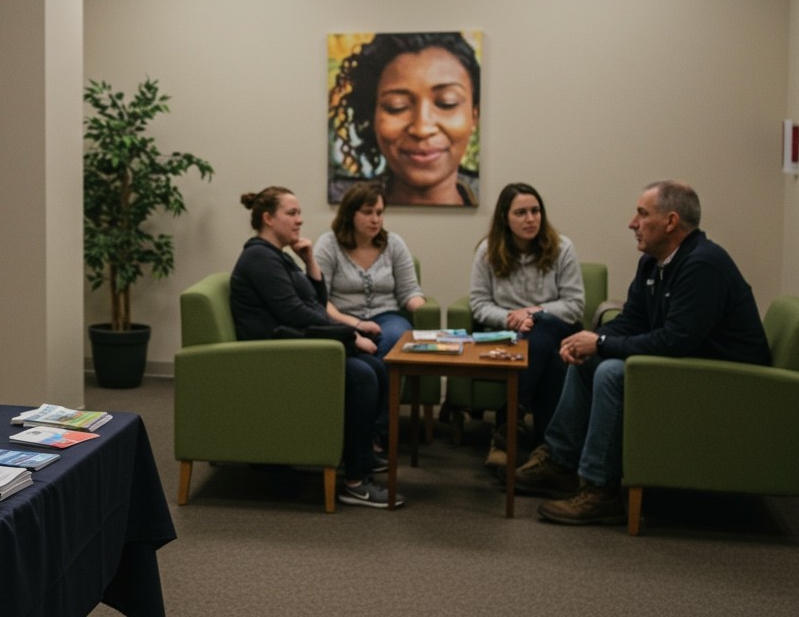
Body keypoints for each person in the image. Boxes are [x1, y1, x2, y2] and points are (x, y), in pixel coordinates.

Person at [514, 181, 770, 525]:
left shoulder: (703, 265)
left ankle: (599, 489)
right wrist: (590, 339)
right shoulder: (654, 263)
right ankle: (560, 463)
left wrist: (601, 344)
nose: (632, 223)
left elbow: (673, 341)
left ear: (671, 221)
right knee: (590, 358)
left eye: (642, 214)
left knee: (611, 372)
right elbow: (632, 321)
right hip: (688, 368)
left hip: (724, 384)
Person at [229, 186, 402, 508]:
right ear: (268, 218)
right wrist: (349, 335)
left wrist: (308, 258)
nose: (300, 220)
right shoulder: (258, 257)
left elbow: (315, 301)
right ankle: (354, 481)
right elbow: (293, 313)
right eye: (291, 213)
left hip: (292, 345)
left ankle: (360, 457)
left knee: (375, 366)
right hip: (273, 357)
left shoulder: (277, 255)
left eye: (299, 213)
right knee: (363, 374)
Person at [468, 183, 585, 471]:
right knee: (547, 360)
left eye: (536, 211)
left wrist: (534, 312)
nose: (530, 219)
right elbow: (479, 303)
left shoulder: (562, 248)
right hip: (510, 335)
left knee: (542, 325)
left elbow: (575, 305)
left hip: (558, 333)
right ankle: (546, 446)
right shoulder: (487, 251)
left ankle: (508, 427)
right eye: (521, 212)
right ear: (505, 218)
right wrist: (511, 317)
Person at [329, 33, 480, 206]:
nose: (422, 128)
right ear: (373, 117)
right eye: (396, 106)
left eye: (447, 103)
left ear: (474, 116)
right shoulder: (341, 201)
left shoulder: (502, 203)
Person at [315, 181, 427, 360]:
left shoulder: (394, 243)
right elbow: (320, 298)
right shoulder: (329, 245)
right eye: (368, 212)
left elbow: (409, 292)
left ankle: (386, 386)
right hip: (343, 318)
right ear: (350, 214)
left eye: (379, 213)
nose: (375, 219)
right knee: (357, 352)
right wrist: (354, 323)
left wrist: (424, 311)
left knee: (395, 338)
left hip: (386, 317)